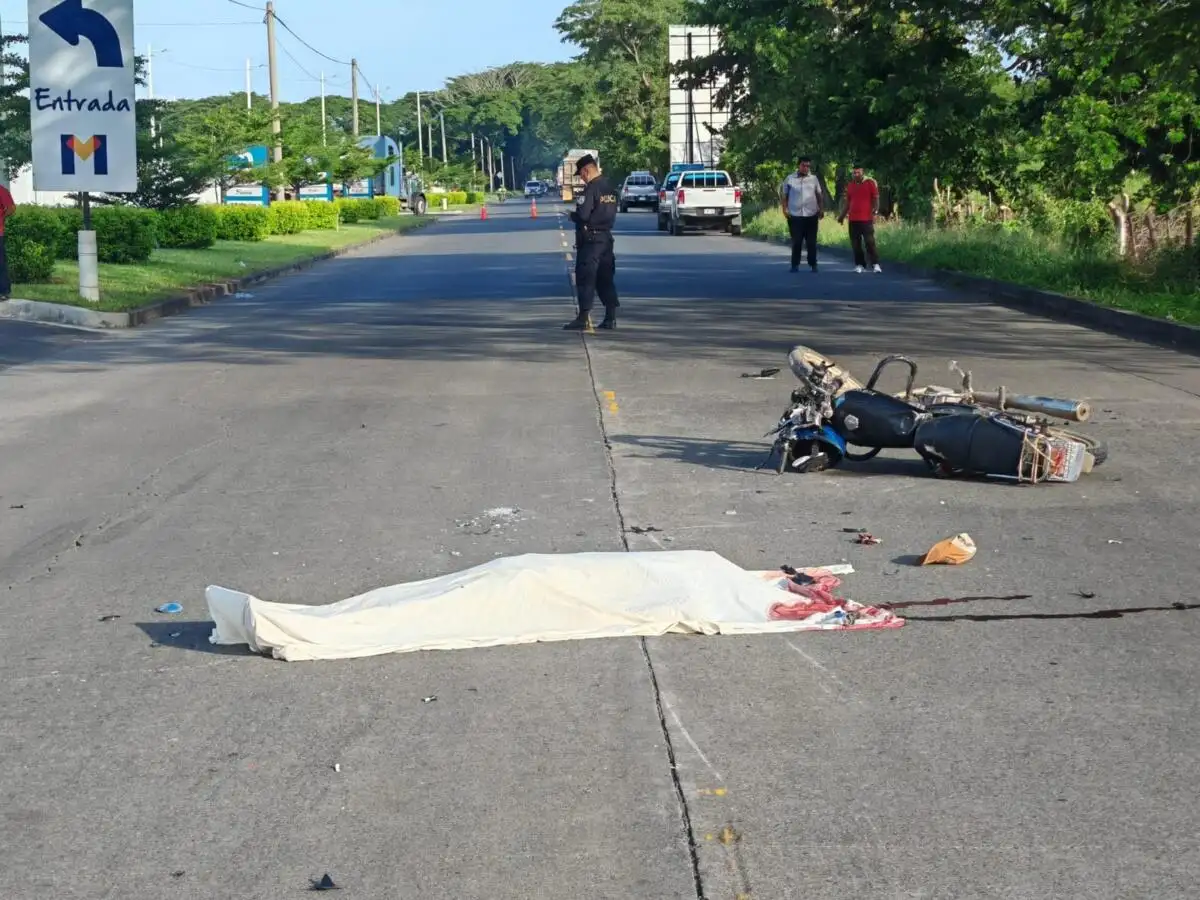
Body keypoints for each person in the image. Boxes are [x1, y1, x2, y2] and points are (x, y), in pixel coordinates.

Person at [563, 154, 619, 331]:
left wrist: (571, 215)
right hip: (606, 239)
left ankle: (583, 317)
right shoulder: (610, 188)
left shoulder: (590, 190)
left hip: (591, 241)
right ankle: (610, 318)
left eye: (581, 174)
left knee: (586, 278)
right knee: (606, 279)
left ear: (586, 171)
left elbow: (583, 215)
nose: (581, 178)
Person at [780, 155, 825, 272]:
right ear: (798, 165)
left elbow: (819, 195)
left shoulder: (814, 179)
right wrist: (784, 209)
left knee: (811, 242)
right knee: (797, 241)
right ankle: (795, 265)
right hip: (795, 216)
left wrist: (821, 209)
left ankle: (813, 264)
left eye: (808, 166)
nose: (806, 168)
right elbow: (784, 196)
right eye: (803, 165)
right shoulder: (790, 178)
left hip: (811, 215)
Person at [837, 164, 882, 273]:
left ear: (863, 172)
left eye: (858, 172)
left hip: (866, 219)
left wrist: (875, 212)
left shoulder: (870, 183)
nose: (856, 174)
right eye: (854, 173)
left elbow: (876, 198)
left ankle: (875, 264)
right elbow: (848, 203)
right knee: (856, 244)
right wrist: (841, 216)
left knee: (869, 242)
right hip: (853, 219)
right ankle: (860, 265)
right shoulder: (850, 185)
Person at [0, 180, 14, 300]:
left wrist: (2, 217)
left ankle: (4, 291)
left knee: (0, 263)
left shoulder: (1, 190)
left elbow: (11, 207)